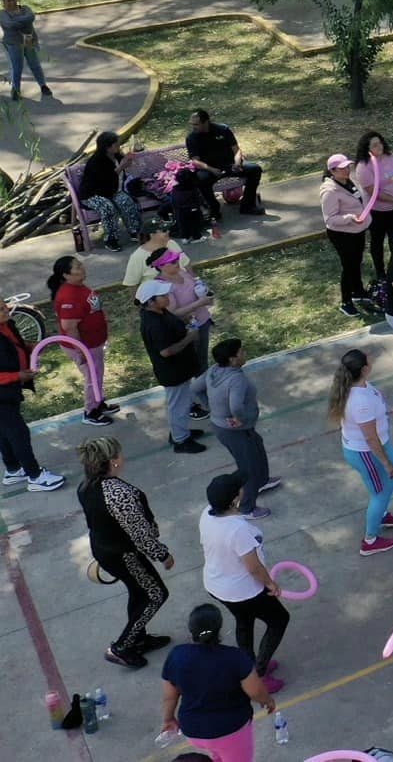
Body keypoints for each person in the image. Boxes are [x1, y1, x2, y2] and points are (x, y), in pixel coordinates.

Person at [78, 436, 172, 667]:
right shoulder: (119, 494)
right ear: (114, 461)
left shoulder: (87, 485)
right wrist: (162, 555)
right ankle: (121, 647)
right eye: (120, 453)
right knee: (156, 595)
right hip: (124, 555)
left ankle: (138, 638)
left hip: (104, 549)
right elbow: (140, 534)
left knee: (139, 592)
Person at [198, 471, 289, 690]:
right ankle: (258, 674)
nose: (242, 489)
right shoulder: (238, 530)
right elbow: (254, 567)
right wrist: (270, 583)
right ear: (233, 500)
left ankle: (248, 669)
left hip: (216, 584)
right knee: (279, 620)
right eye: (238, 489)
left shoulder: (206, 514)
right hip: (243, 590)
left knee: (244, 621)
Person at [159, 603, 277, 760]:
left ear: (191, 629)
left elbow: (170, 696)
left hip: (193, 730)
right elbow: (255, 691)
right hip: (230, 731)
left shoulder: (177, 655)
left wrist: (168, 719)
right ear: (218, 628)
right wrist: (267, 700)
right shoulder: (235, 657)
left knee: (216, 752)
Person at [328, 349, 393, 556]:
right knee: (380, 493)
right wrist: (386, 463)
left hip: (376, 447)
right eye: (369, 359)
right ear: (364, 369)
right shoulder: (360, 402)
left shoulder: (358, 387)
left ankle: (380, 513)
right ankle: (370, 540)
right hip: (366, 453)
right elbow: (370, 438)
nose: (372, 359)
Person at [205, 338, 278, 515]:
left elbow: (195, 388)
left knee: (257, 447)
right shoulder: (236, 379)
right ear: (232, 359)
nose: (244, 354)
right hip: (234, 430)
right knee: (248, 467)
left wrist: (211, 407)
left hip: (228, 428)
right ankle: (246, 507)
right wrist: (240, 418)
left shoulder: (214, 371)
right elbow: (236, 406)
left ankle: (261, 482)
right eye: (241, 352)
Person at [138, 277, 209, 453]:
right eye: (162, 295)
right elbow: (166, 351)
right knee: (178, 405)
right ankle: (180, 441)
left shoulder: (160, 312)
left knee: (182, 403)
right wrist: (189, 338)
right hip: (172, 371)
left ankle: (180, 432)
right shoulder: (154, 324)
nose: (167, 297)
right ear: (150, 301)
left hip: (180, 368)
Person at [47, 256, 116, 425]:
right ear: (66, 275)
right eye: (77, 267)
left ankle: (99, 403)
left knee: (97, 374)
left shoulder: (78, 286)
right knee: (92, 377)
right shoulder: (68, 295)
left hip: (94, 344)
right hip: (85, 347)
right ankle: (90, 411)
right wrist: (81, 350)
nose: (82, 268)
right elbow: (70, 327)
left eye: (80, 264)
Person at [320, 154, 375, 317]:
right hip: (342, 234)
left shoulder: (347, 182)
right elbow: (329, 219)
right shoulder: (329, 191)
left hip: (356, 231)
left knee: (356, 262)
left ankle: (358, 292)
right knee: (349, 267)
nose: (347, 170)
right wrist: (349, 218)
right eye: (342, 168)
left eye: (348, 166)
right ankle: (346, 302)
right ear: (333, 171)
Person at [185, 109, 266, 218]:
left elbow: (236, 150)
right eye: (192, 124)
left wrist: (237, 163)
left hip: (230, 165)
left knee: (255, 169)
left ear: (206, 122)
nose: (193, 127)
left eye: (196, 124)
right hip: (210, 169)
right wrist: (211, 169)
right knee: (200, 179)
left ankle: (247, 205)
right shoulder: (191, 138)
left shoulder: (223, 129)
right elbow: (195, 161)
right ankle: (214, 210)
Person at [354, 131, 393, 282]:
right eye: (375, 145)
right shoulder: (363, 167)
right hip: (377, 212)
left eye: (380, 143)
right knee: (377, 242)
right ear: (367, 148)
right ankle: (380, 272)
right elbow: (374, 191)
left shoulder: (391, 157)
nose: (380, 146)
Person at [77, 131, 144, 249]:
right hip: (92, 194)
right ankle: (111, 239)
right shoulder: (97, 161)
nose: (119, 147)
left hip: (111, 191)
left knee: (127, 201)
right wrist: (121, 167)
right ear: (107, 147)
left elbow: (125, 170)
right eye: (116, 145)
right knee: (108, 208)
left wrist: (128, 160)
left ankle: (135, 231)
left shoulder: (116, 155)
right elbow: (105, 181)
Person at [0, 0, 53, 99]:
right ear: (3, 3)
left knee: (35, 65)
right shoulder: (2, 14)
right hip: (13, 44)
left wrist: (16, 20)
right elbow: (9, 25)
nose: (11, 2)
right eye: (8, 1)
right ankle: (16, 90)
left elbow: (31, 17)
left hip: (29, 41)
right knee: (17, 68)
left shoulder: (25, 8)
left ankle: (43, 86)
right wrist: (23, 21)